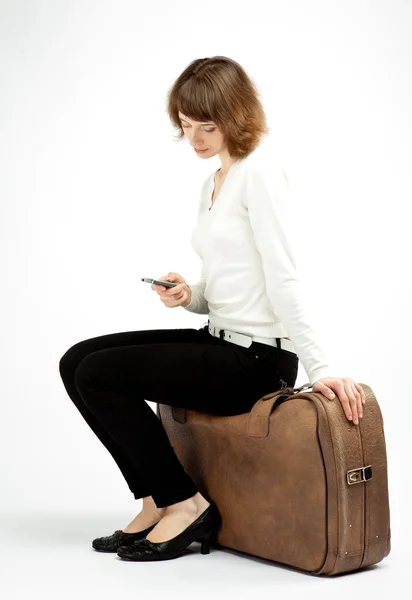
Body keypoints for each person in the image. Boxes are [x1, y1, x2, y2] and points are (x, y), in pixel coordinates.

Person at [59, 55, 366, 563]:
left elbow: (283, 277)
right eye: (186, 126)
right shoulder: (214, 181)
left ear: (238, 114)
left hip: (256, 363)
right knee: (76, 361)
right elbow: (231, 284)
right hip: (218, 338)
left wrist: (324, 367)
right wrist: (190, 295)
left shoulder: (261, 172)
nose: (196, 139)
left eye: (208, 125)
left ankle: (184, 504)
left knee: (99, 375)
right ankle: (157, 499)